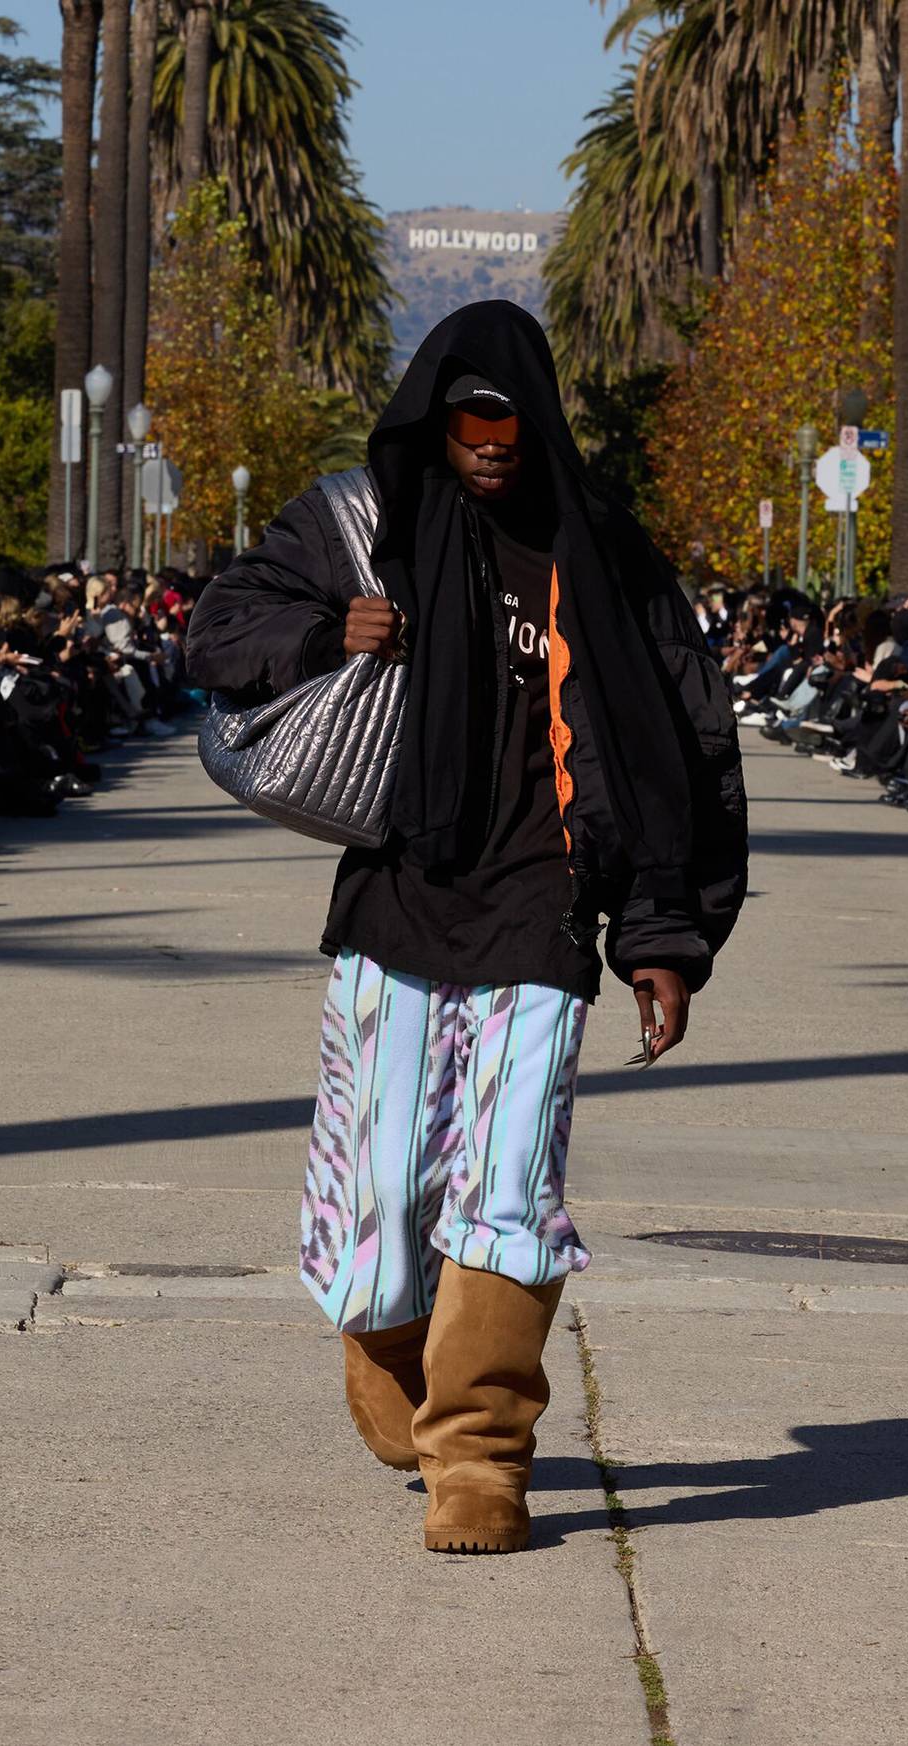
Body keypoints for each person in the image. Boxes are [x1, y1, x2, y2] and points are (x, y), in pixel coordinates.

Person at [187, 301, 747, 1554]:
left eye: (508, 414)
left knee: (508, 1186)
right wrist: (325, 630)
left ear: (538, 417)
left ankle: (481, 1456)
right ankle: (394, 1353)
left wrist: (664, 937)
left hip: (543, 911)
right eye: (466, 415)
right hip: (397, 895)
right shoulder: (363, 523)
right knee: (380, 1199)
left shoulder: (601, 555)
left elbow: (687, 753)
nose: (489, 438)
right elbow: (216, 630)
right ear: (436, 420)